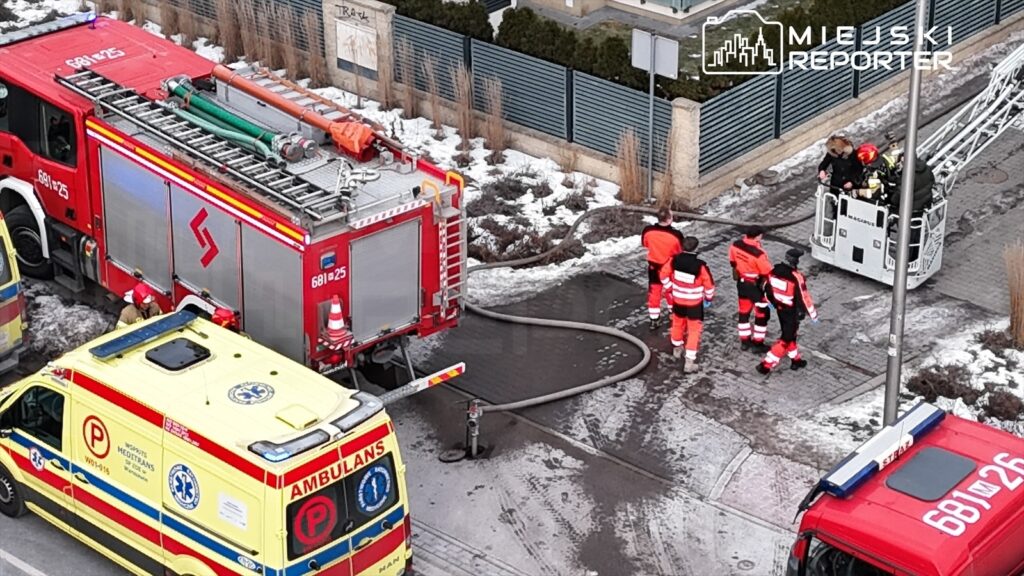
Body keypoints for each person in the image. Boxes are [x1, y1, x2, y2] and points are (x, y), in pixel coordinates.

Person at [756, 249, 818, 374]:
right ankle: (766, 365)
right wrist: (813, 314)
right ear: (795, 261)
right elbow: (804, 297)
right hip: (791, 311)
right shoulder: (796, 276)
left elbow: (766, 288)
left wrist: (773, 303)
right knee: (786, 339)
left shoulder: (773, 272)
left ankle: (796, 360)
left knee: (791, 335)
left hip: (780, 309)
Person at [660, 236, 715, 373]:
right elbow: (709, 286)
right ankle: (689, 362)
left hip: (678, 300)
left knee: (677, 324)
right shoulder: (700, 266)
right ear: (696, 248)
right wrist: (708, 298)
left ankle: (677, 349)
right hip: (694, 304)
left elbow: (663, 275)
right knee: (694, 331)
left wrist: (670, 287)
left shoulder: (674, 260)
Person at [728, 226, 773, 351]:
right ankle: (758, 343)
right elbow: (766, 271)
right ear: (758, 236)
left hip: (742, 284)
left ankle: (745, 341)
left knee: (743, 312)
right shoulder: (759, 254)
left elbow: (732, 262)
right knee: (761, 314)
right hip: (755, 286)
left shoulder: (735, 245)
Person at [641, 207, 685, 330]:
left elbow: (645, 244)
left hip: (653, 267)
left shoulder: (648, 231)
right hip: (669, 268)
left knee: (654, 293)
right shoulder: (676, 235)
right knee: (670, 291)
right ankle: (673, 313)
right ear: (669, 219)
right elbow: (680, 251)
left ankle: (654, 319)